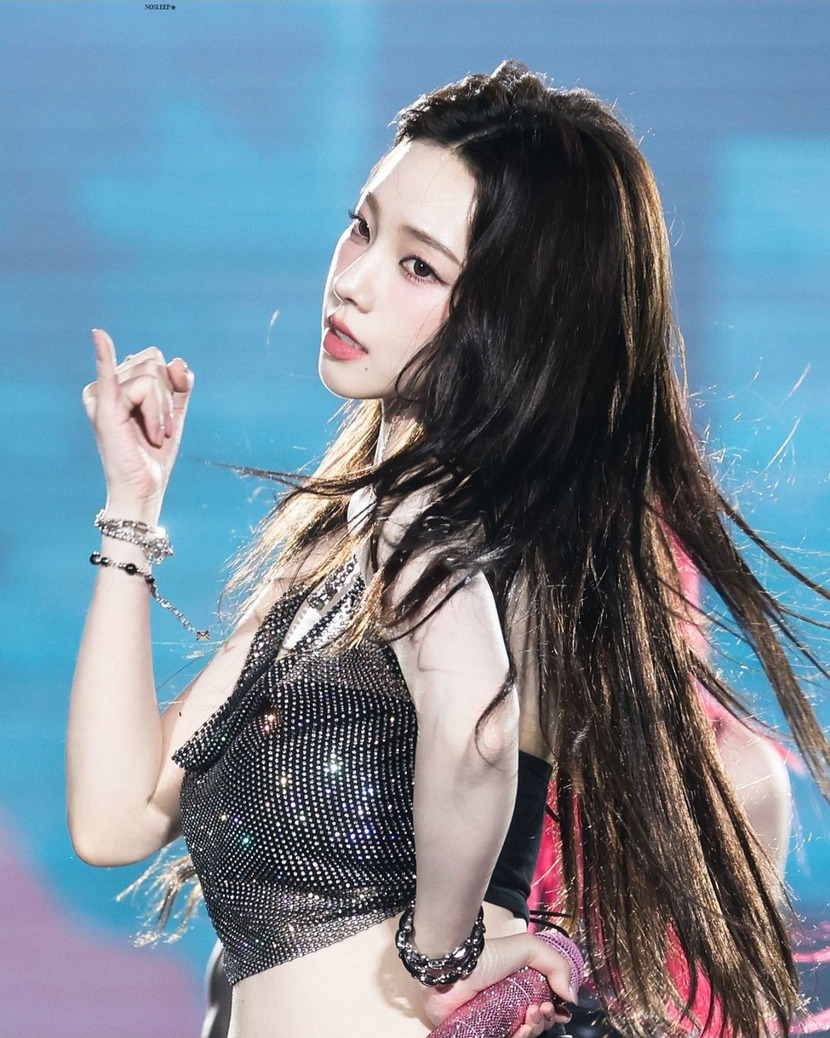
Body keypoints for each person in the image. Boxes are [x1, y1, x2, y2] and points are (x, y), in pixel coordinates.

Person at [67, 61, 829, 1038]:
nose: (351, 281)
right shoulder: (347, 553)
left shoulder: (425, 518)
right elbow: (116, 815)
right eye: (361, 227)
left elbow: (477, 731)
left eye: (419, 267)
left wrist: (443, 951)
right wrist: (131, 506)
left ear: (512, 319)